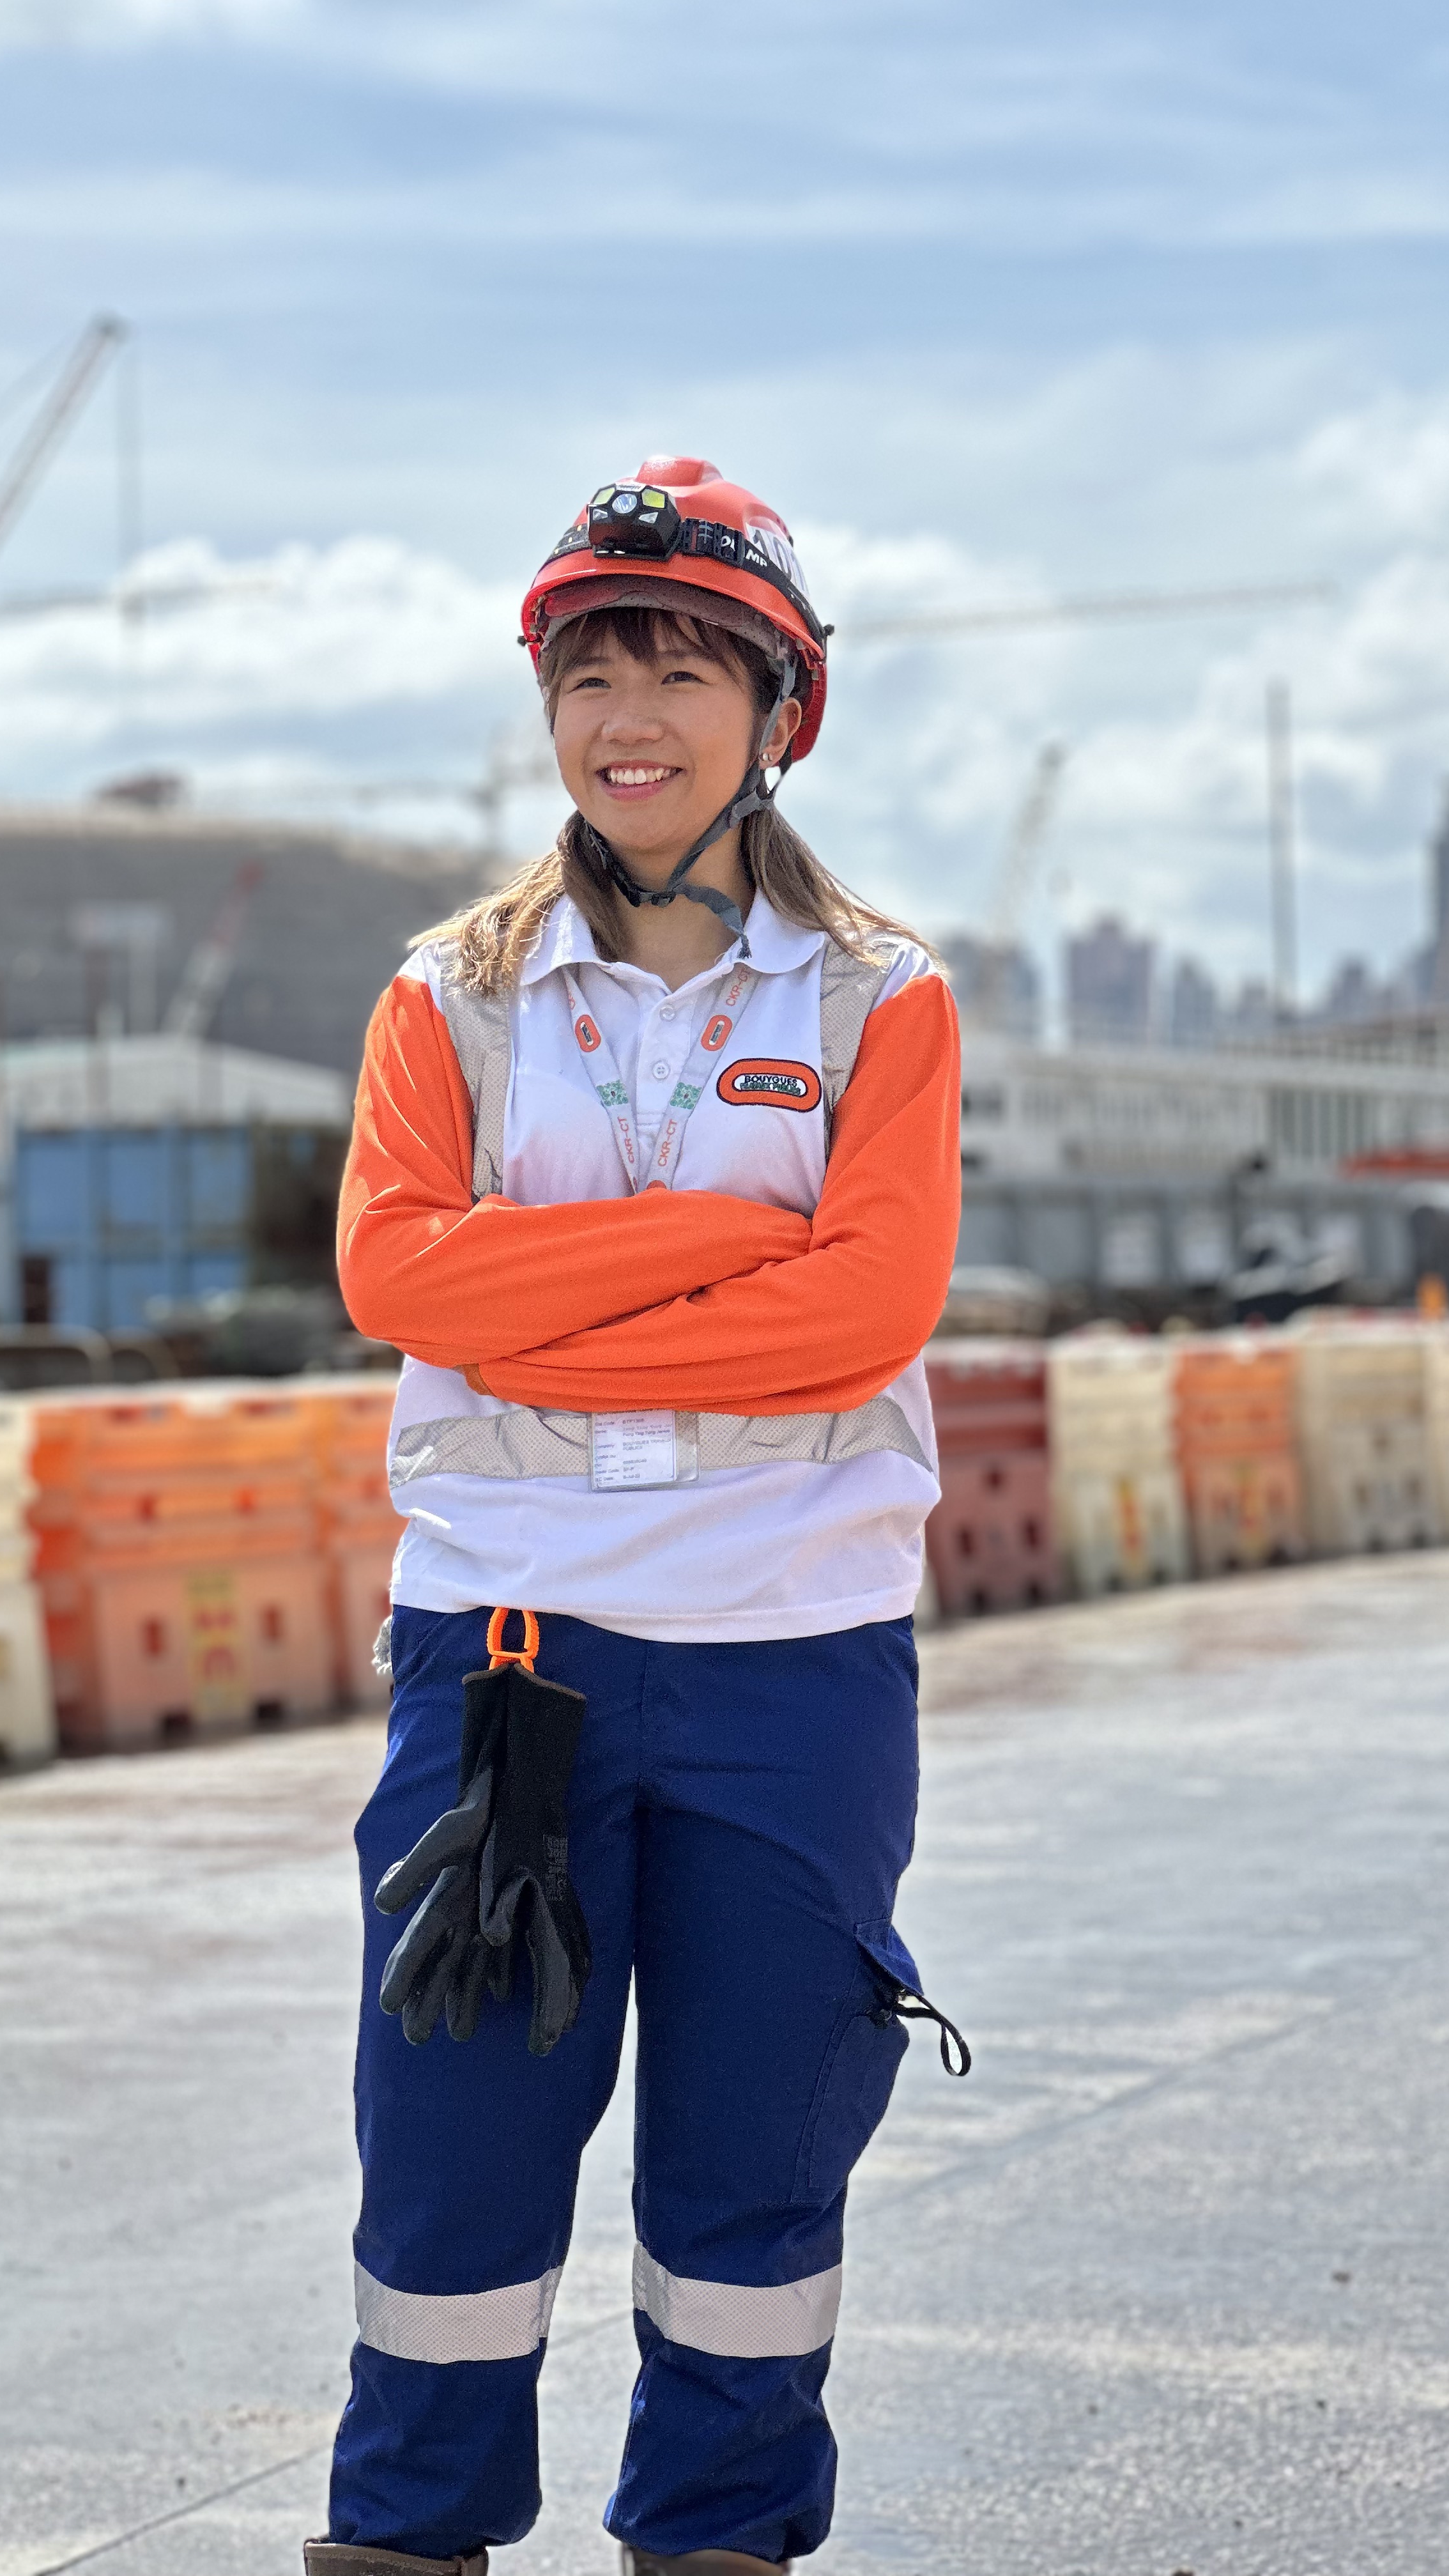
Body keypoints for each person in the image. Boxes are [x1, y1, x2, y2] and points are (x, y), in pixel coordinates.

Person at [307, 457, 968, 2576]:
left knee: (758, 2167)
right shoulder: (450, 997)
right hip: (509, 1656)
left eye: (684, 670)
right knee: (453, 2156)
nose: (631, 716)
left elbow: (868, 1311)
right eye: (594, 670)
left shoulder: (879, 998)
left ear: (780, 713)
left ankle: (717, 2540)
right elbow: (397, 1278)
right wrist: (722, 1247)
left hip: (795, 1661)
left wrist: (543, 1305)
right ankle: (405, 2541)